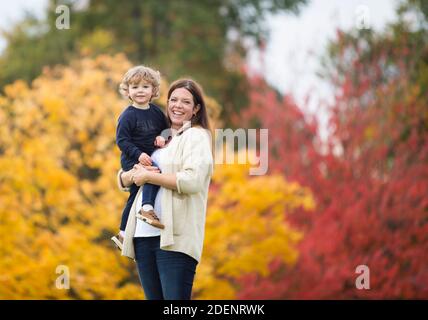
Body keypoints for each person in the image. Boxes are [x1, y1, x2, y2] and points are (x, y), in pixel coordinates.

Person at [117, 79, 213, 300]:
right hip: (142, 236)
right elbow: (132, 171)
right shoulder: (161, 137)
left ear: (196, 108)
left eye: (186, 102)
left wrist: (149, 175)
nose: (178, 106)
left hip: (174, 238)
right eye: (173, 100)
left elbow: (192, 181)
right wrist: (127, 177)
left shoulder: (196, 136)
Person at [111, 66, 170, 251]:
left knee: (134, 194)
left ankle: (122, 234)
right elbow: (122, 141)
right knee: (154, 172)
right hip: (132, 158)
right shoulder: (128, 115)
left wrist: (163, 137)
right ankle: (147, 208)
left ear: (153, 90)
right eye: (135, 87)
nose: (140, 91)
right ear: (127, 91)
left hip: (150, 156)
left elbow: (166, 131)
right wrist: (139, 155)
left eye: (145, 87)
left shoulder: (156, 113)